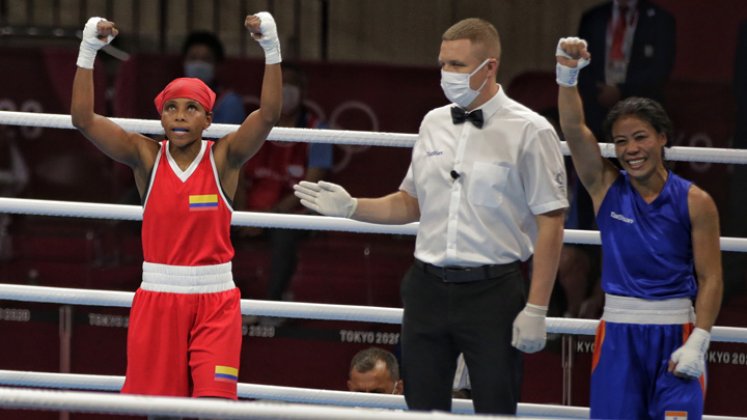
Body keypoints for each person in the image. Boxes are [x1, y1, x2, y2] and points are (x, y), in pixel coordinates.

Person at [294, 18, 568, 414]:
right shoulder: (433, 122)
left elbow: (551, 222)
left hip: (493, 292)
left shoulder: (531, 131)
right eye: (443, 63)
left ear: (490, 67)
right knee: (421, 407)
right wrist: (353, 207)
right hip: (426, 289)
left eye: (457, 65)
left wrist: (538, 307)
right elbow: (410, 203)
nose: (446, 74)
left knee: (495, 406)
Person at [70, 12, 281, 404]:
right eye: (171, 108)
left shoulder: (225, 159)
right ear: (161, 116)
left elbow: (268, 116)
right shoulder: (145, 157)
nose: (180, 115)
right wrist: (88, 49)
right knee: (158, 410)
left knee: (216, 407)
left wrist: (270, 45)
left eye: (190, 108)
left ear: (208, 119)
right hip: (159, 297)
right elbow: (82, 119)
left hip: (216, 301)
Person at [555, 37, 722, 419]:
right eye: (621, 141)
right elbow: (574, 129)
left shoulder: (696, 201)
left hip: (677, 333)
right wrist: (567, 75)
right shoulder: (605, 187)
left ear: (662, 138)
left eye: (640, 137)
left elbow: (711, 277)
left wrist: (700, 339)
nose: (631, 149)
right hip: (618, 337)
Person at [238, 64, 333, 324]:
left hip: (292, 212)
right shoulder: (253, 127)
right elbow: (236, 175)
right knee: (213, 225)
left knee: (283, 232)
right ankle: (226, 302)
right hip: (249, 210)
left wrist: (270, 216)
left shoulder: (317, 129)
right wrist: (244, 215)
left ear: (303, 91)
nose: (285, 90)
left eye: (291, 84)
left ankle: (272, 305)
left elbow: (312, 184)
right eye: (280, 84)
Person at [577, 0, 675, 137]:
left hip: (642, 110)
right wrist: (597, 91)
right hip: (595, 110)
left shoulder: (660, 19)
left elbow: (660, 69)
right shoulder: (593, 17)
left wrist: (620, 91)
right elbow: (581, 64)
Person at [181, 31, 245, 125]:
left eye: (205, 59)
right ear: (183, 62)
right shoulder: (172, 99)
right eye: (193, 58)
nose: (198, 65)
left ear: (217, 65)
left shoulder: (229, 103)